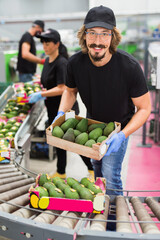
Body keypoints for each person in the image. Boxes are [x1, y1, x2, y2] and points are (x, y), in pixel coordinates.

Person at [52, 6, 151, 195]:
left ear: (113, 36)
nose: (98, 41)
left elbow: (144, 108)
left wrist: (123, 135)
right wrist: (61, 113)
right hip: (92, 125)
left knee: (110, 175)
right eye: (92, 33)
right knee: (96, 169)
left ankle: (113, 222)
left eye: (105, 34)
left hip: (119, 128)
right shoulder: (74, 63)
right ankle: (100, 211)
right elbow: (70, 91)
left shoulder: (129, 67)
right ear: (84, 35)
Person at [28, 29, 93, 178]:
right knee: (59, 141)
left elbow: (63, 88)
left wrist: (41, 94)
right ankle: (61, 171)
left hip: (66, 109)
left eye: (48, 42)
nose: (44, 45)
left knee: (74, 142)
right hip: (52, 109)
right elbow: (49, 81)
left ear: (57, 44)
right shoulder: (47, 61)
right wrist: (38, 82)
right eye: (43, 42)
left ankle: (92, 169)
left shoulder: (62, 63)